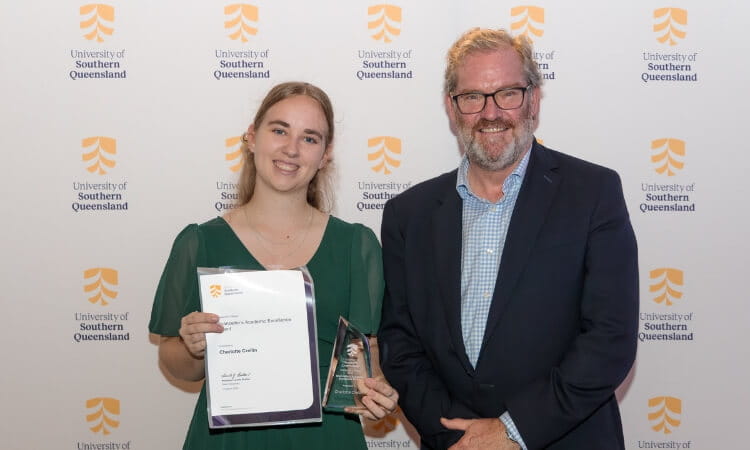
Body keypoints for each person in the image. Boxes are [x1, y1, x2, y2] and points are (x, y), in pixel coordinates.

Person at [377, 28, 638, 450]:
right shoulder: (409, 214)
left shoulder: (593, 194)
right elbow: (400, 343)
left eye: (508, 94)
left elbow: (609, 340)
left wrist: (511, 432)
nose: (491, 112)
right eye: (473, 97)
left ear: (533, 100)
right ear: (452, 107)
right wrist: (457, 436)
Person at [149, 81, 398, 449]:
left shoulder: (355, 246)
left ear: (326, 154)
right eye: (279, 130)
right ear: (251, 137)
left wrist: (377, 396)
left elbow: (365, 362)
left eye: (310, 138)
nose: (291, 149)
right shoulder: (199, 242)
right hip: (230, 440)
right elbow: (178, 367)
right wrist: (192, 346)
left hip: (326, 439)